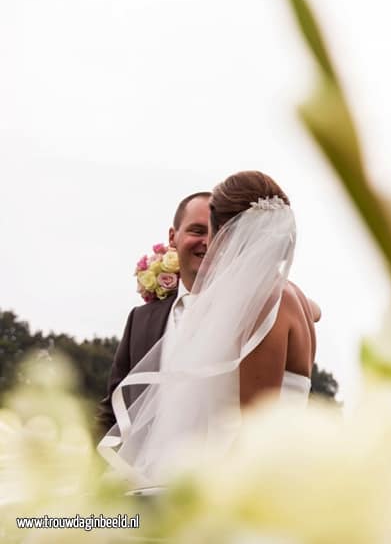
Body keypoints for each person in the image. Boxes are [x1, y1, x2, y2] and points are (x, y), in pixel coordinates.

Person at [97, 174, 319, 488]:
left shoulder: (264, 303)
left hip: (249, 486)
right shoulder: (285, 295)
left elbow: (255, 433)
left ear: (227, 233)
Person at [95, 191, 212, 434]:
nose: (208, 241)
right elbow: (114, 409)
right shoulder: (140, 319)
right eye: (197, 231)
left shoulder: (246, 318)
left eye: (217, 233)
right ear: (173, 237)